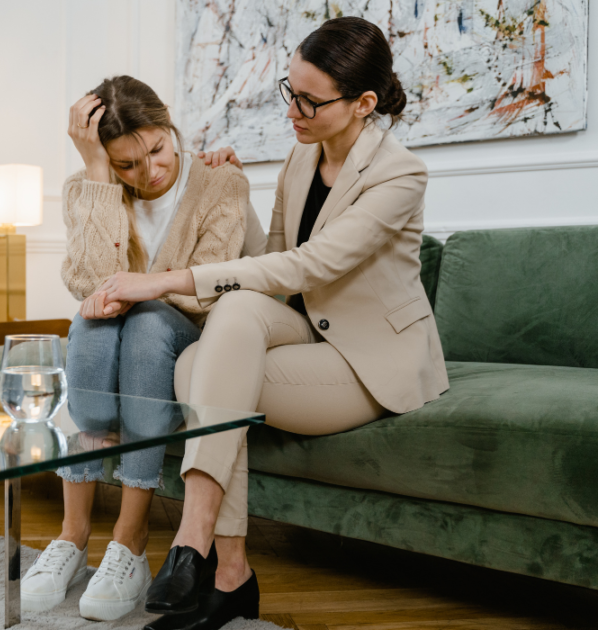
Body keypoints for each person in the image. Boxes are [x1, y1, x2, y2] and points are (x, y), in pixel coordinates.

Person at [93, 17, 450, 630]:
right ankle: (227, 571)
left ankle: (198, 544)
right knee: (198, 356)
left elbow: (315, 263)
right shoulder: (300, 157)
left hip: (366, 362)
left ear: (363, 103)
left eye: (310, 100)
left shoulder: (400, 174)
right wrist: (235, 190)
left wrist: (164, 280)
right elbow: (271, 262)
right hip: (307, 330)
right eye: (291, 91)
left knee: (206, 371)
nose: (294, 109)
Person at [20, 75, 266, 621]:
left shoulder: (220, 181)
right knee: (88, 326)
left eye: (157, 149)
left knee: (149, 323)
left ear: (169, 126)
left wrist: (133, 292)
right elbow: (89, 282)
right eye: (127, 163)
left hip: (193, 337)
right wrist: (97, 175)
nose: (150, 171)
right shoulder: (89, 185)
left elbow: (204, 293)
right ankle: (72, 536)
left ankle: (130, 542)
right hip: (117, 335)